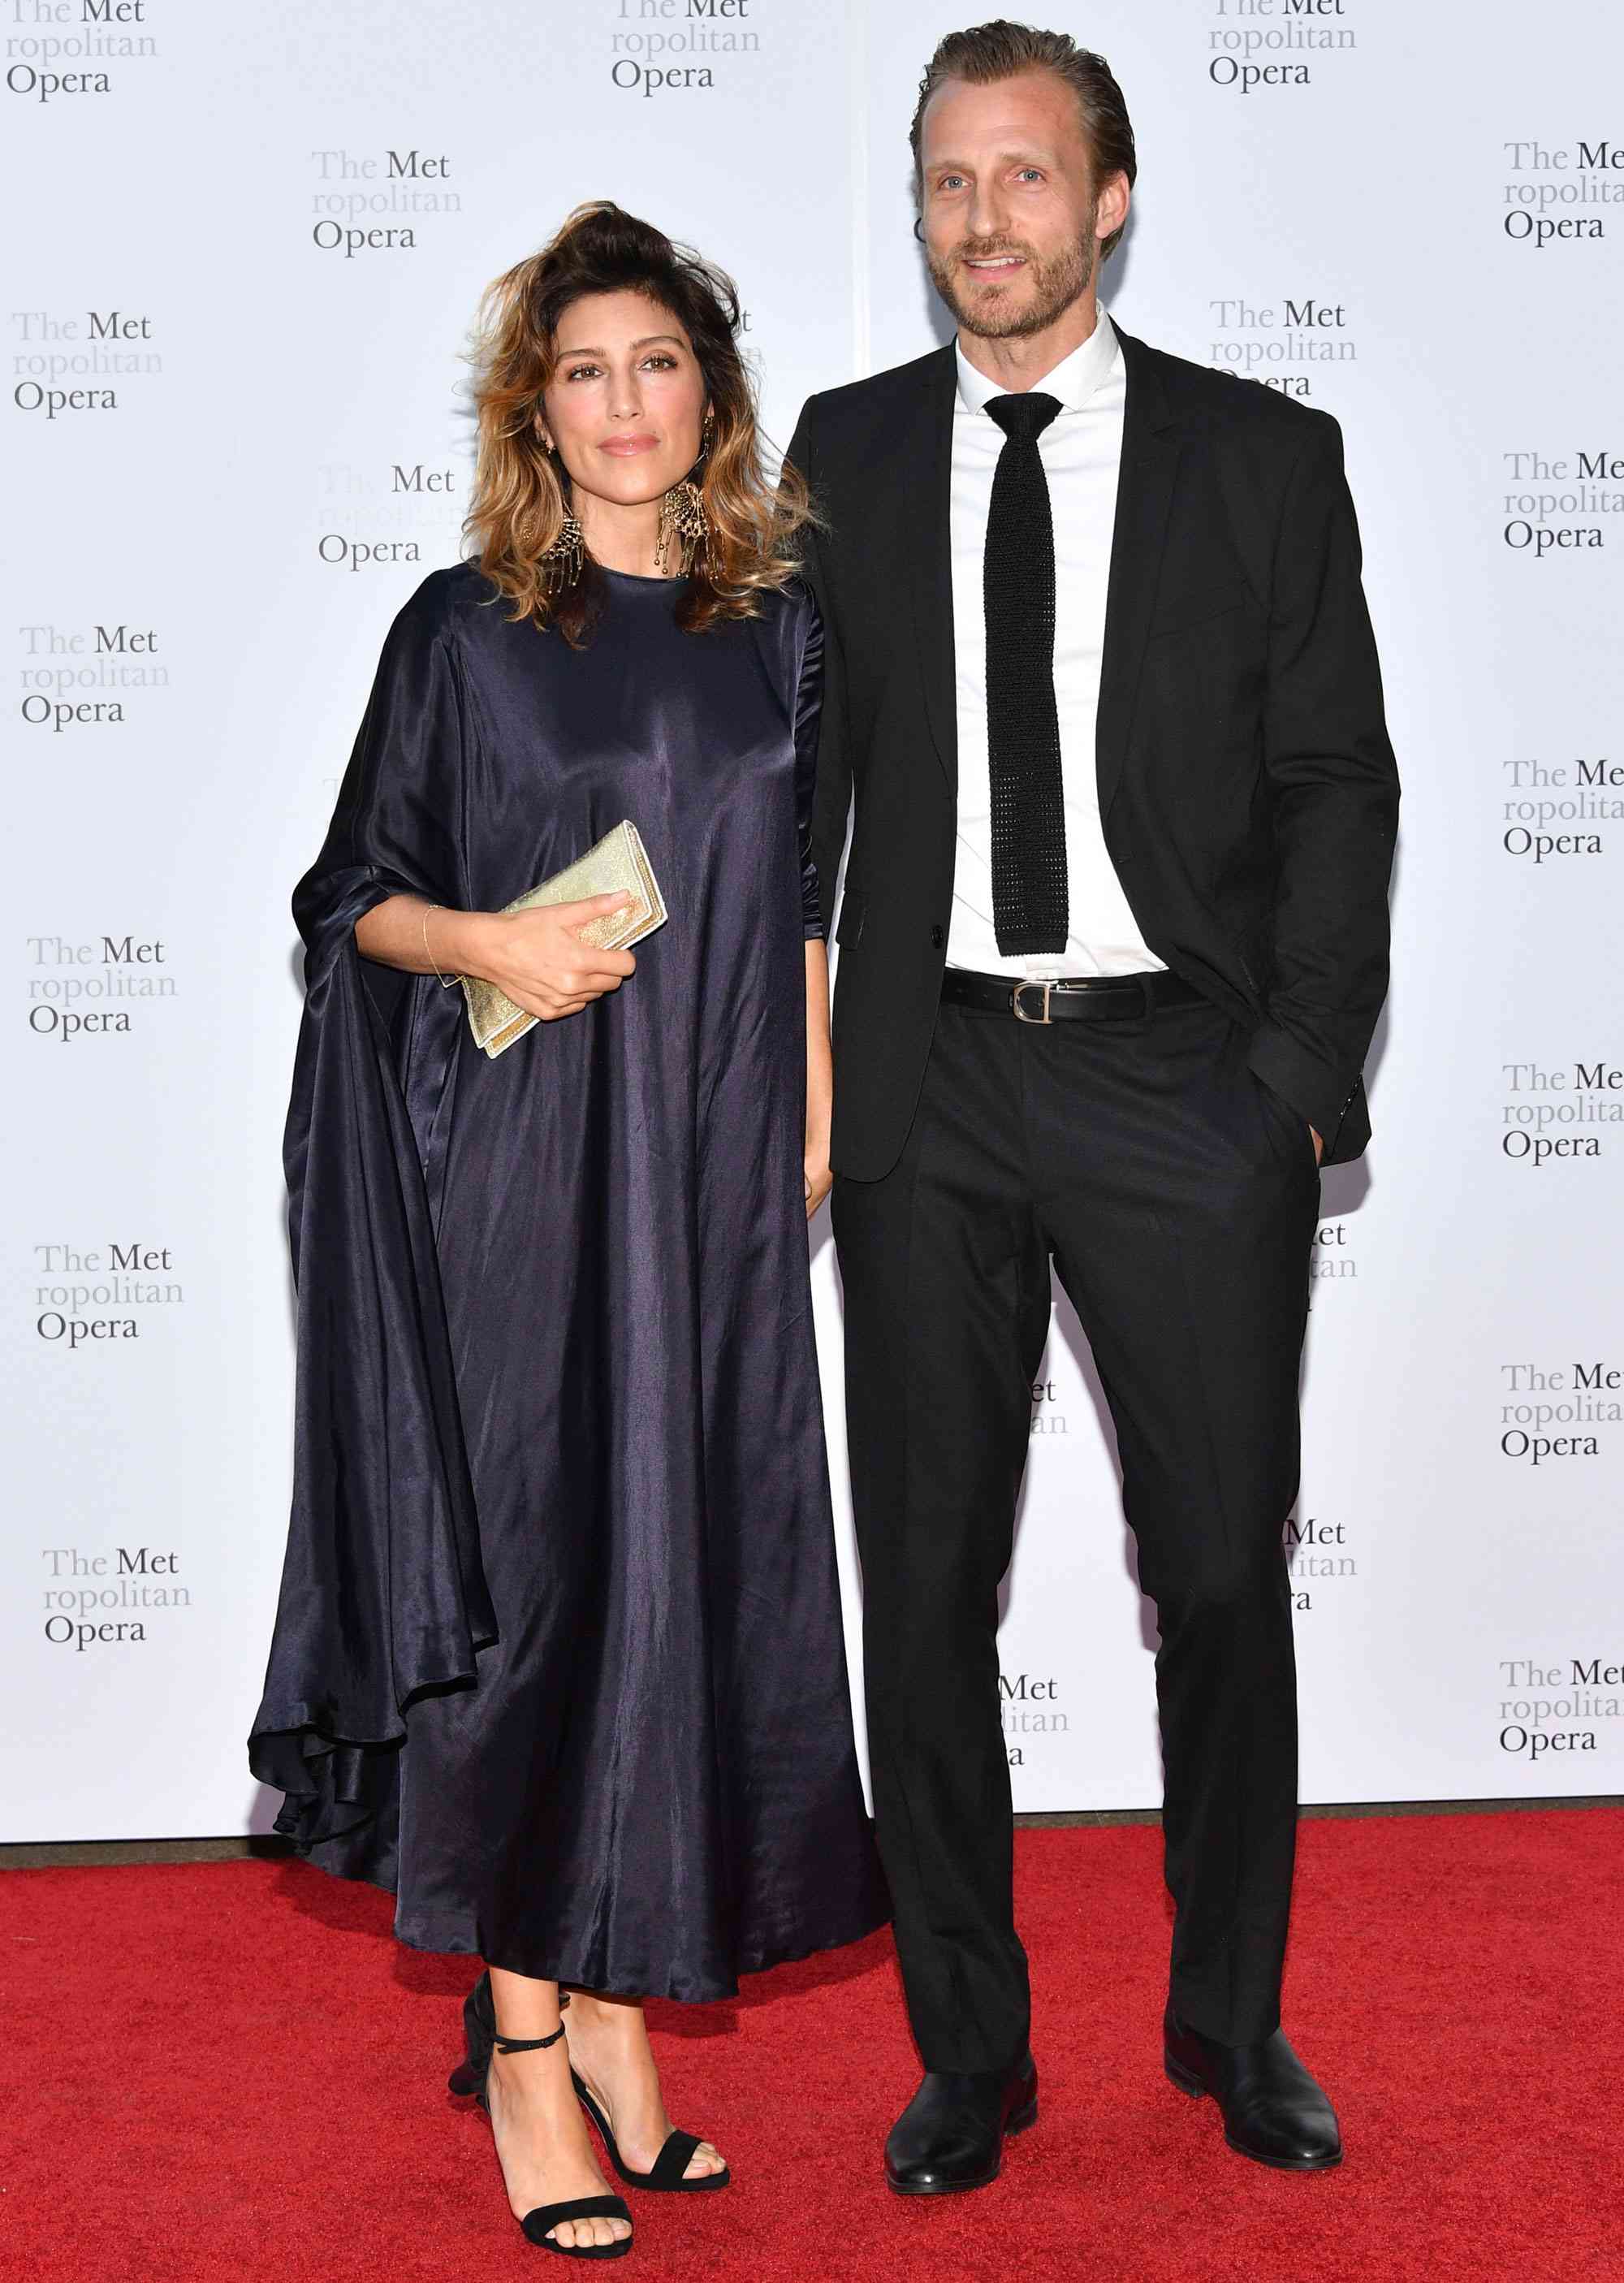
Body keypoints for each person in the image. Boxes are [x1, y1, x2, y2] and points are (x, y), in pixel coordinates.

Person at [788, 23, 1398, 2194]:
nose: (985, 219)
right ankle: (973, 2051)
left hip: (1180, 1080)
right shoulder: (844, 457)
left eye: (1028, 177)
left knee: (1221, 1570)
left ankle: (1234, 2027)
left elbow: (1338, 781)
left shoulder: (1262, 456)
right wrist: (814, 1063)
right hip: (934, 1081)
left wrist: (1295, 1087)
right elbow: (800, 799)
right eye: (951, 179)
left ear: (1110, 199)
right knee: (925, 1585)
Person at [250, 201, 885, 2261]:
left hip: (712, 1170)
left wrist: (805, 1091)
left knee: (679, 1572)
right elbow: (349, 893)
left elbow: (795, 884)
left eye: (658, 363)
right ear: (542, 403)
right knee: (530, 1582)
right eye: (583, 368)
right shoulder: (461, 628)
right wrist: (492, 931)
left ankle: (619, 2007)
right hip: (515, 1167)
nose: (624, 402)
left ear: (711, 395)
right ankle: (522, 2044)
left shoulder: (773, 624)